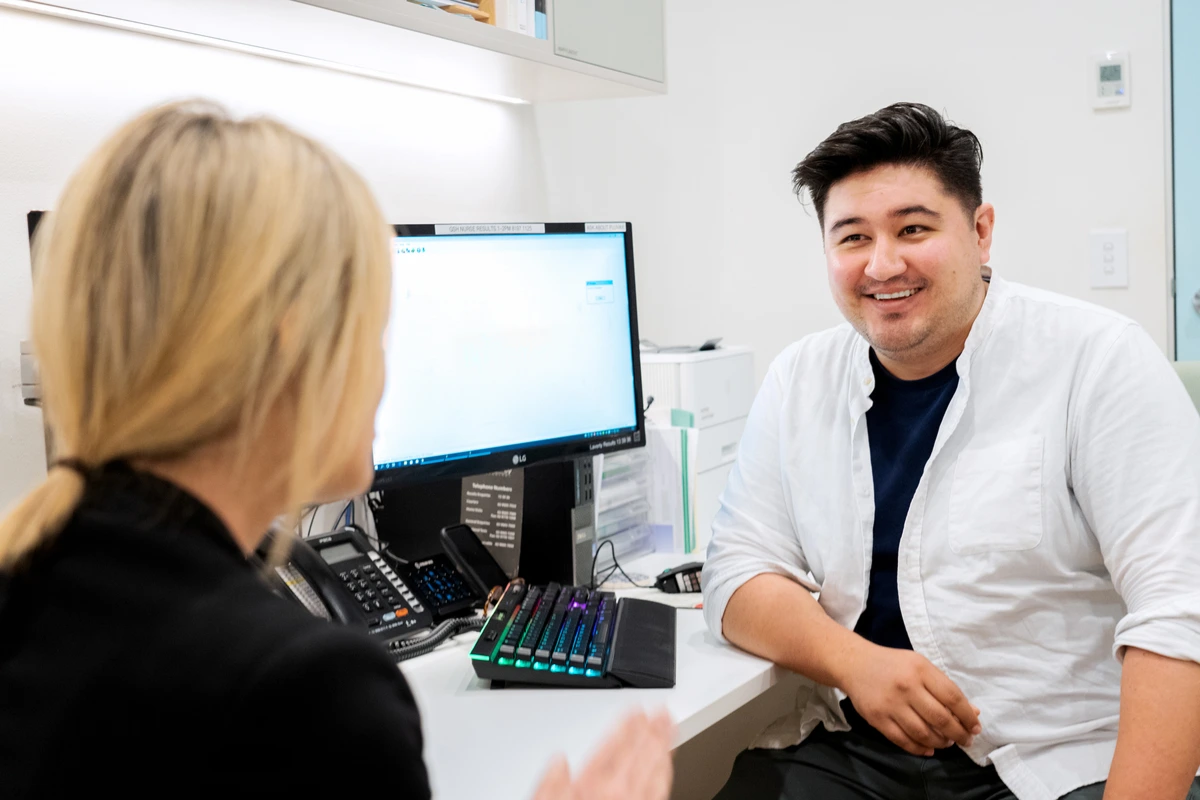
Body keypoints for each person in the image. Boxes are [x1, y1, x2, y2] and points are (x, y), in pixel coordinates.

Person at [0, 101, 674, 798]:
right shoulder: (311, 697)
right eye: (376, 333)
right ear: (295, 349)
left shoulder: (33, 597)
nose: (384, 375)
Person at [703, 103, 1200, 800]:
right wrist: (857, 665)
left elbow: (1180, 612)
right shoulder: (800, 379)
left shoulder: (1097, 360)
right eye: (852, 238)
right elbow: (735, 573)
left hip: (1063, 756)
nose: (882, 263)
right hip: (859, 748)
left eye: (913, 228)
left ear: (980, 230)